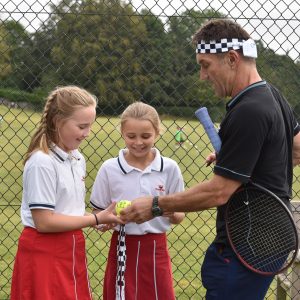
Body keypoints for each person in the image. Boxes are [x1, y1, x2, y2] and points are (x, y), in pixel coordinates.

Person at [119, 19, 300, 300]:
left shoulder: (248, 110)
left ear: (231, 59)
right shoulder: (272, 95)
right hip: (270, 243)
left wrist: (155, 205)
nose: (203, 76)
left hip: (245, 246)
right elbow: (296, 147)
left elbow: (219, 191)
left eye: (205, 65)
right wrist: (246, 160)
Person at [10, 86, 122, 300]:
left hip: (71, 247)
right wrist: (94, 218)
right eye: (81, 126)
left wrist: (98, 221)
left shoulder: (78, 159)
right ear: (57, 121)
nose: (87, 133)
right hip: (44, 252)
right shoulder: (41, 162)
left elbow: (69, 210)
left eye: (90, 126)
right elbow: (43, 222)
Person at [90, 101, 185, 300]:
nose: (138, 142)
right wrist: (107, 221)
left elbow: (179, 217)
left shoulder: (169, 168)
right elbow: (97, 216)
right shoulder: (110, 168)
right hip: (122, 247)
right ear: (122, 133)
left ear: (157, 133)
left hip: (156, 249)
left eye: (146, 136)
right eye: (131, 136)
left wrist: (168, 210)